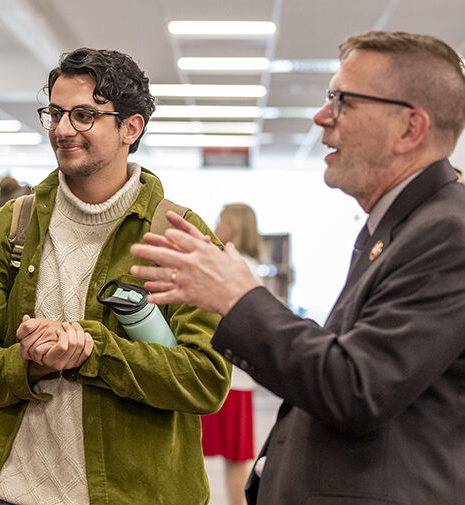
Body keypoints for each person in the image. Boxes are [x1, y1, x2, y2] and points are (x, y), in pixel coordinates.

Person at [130, 30, 465, 505]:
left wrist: (239, 300)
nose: (321, 117)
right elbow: (349, 357)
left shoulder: (447, 233)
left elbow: (358, 389)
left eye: (344, 101)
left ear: (410, 129)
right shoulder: (396, 227)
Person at [0, 48, 231, 505]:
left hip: (138, 496)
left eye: (83, 115)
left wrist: (92, 351)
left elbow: (205, 380)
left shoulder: (180, 239)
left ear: (131, 128)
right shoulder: (8, 231)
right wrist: (32, 364)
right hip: (14, 495)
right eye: (54, 113)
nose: (61, 129)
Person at [203, 204, 262, 505]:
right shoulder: (239, 264)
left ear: (234, 226)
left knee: (235, 461)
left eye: (220, 219)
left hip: (231, 381)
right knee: (231, 461)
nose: (215, 224)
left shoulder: (239, 267)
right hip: (228, 377)